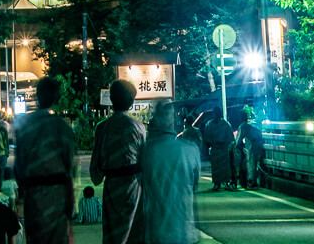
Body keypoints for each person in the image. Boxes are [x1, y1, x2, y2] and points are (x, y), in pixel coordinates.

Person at [15, 76, 77, 244]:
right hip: (57, 195)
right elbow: (70, 168)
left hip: (33, 195)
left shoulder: (25, 125)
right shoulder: (62, 127)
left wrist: (22, 193)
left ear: (37, 95)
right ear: (56, 98)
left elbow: (19, 165)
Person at [90, 78, 146, 244]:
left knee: (113, 235)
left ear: (112, 99)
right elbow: (145, 161)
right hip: (134, 186)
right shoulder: (138, 127)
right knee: (134, 233)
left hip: (112, 187)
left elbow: (96, 169)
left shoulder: (102, 128)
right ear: (130, 101)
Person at [139, 100, 201, 244]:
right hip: (184, 230)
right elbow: (194, 188)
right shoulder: (190, 150)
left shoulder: (146, 152)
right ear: (173, 120)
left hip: (155, 231)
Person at [202, 109, 236, 192]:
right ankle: (217, 183)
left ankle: (226, 182)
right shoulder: (210, 124)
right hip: (215, 148)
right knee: (216, 167)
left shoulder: (225, 124)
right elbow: (207, 138)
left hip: (223, 148)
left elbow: (230, 138)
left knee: (225, 167)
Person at [236, 111, 264, 189]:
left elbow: (238, 140)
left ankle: (251, 182)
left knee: (251, 164)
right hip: (258, 142)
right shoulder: (249, 124)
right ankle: (253, 181)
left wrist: (237, 147)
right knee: (254, 163)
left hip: (253, 144)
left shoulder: (242, 126)